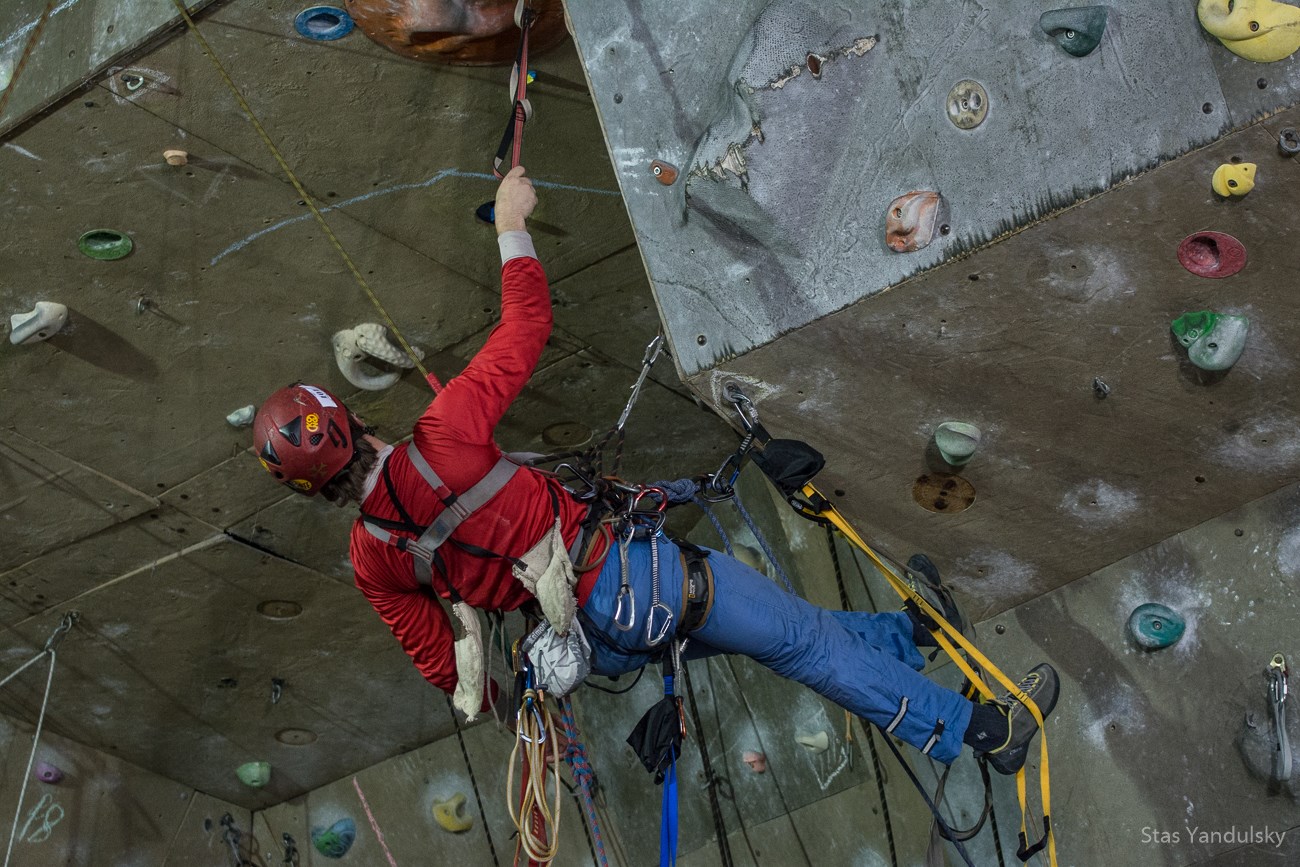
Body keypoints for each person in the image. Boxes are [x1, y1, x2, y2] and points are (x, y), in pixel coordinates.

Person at [251, 166, 1059, 774]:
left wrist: (531, 724)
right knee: (800, 641)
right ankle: (977, 732)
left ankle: (904, 637)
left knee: (770, 626)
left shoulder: (372, 558)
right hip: (636, 578)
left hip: (593, 642)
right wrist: (508, 224)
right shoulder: (446, 432)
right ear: (349, 418)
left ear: (315, 488)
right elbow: (528, 319)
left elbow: (444, 665)